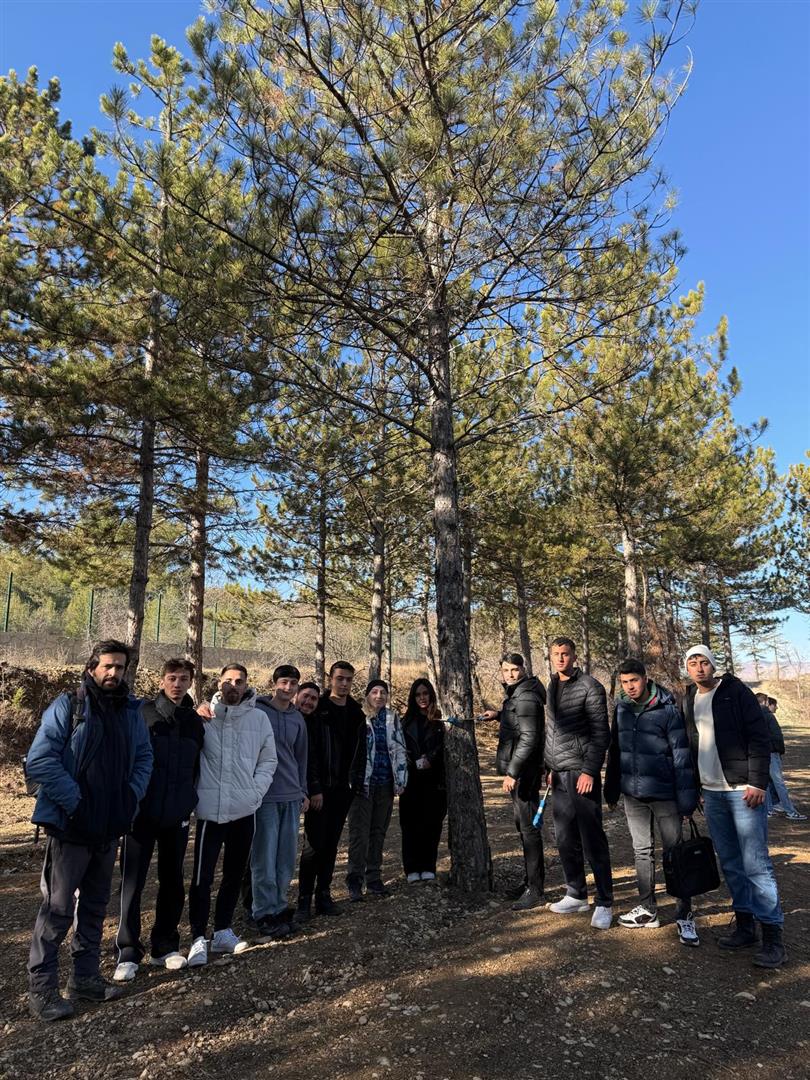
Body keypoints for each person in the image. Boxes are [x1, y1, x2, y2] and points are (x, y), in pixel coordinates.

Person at [25, 640, 153, 1021]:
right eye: (107, 666)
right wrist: (76, 803)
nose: (114, 673)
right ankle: (42, 989)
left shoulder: (130, 712)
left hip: (110, 827)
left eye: (120, 667)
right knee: (57, 909)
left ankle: (84, 978)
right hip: (72, 826)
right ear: (92, 667)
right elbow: (40, 760)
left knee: (96, 906)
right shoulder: (70, 706)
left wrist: (129, 798)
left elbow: (144, 758)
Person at [683, 645, 785, 968]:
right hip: (712, 793)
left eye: (704, 662)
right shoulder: (689, 697)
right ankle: (745, 925)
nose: (699, 668)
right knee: (730, 862)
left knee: (756, 863)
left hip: (743, 791)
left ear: (713, 665)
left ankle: (773, 936)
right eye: (692, 663)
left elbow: (759, 737)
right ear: (687, 668)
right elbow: (693, 743)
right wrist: (698, 786)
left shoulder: (735, 691)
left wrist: (758, 782)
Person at [114, 658, 205, 981]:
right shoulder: (142, 713)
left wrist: (188, 802)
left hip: (177, 815)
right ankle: (127, 951)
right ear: (162, 680)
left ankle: (165, 946)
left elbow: (197, 767)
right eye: (172, 678)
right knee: (132, 882)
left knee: (172, 880)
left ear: (191, 682)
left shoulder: (194, 721)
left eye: (183, 678)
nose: (177, 684)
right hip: (141, 815)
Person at [186, 664, 277, 966]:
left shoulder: (259, 719)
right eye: (228, 681)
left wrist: (254, 792)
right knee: (202, 877)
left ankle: (223, 930)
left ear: (247, 684)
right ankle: (198, 936)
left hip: (244, 810)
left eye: (239, 681)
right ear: (219, 683)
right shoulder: (204, 717)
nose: (233, 686)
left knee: (234, 874)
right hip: (210, 812)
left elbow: (268, 760)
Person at [604, 658, 699, 945]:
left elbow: (681, 756)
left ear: (646, 679)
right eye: (624, 682)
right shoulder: (621, 709)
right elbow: (615, 751)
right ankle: (647, 908)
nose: (629, 687)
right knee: (642, 851)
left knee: (674, 853)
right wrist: (611, 791)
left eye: (634, 680)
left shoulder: (667, 710)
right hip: (633, 795)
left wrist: (687, 801)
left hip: (665, 794)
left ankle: (685, 915)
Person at [544, 637, 614, 930]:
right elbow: (552, 730)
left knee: (591, 839)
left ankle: (605, 902)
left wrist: (589, 770)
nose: (561, 658)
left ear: (574, 656)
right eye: (556, 654)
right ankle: (576, 894)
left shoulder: (590, 687)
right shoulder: (551, 685)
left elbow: (601, 734)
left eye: (565, 654)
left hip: (582, 773)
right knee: (565, 837)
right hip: (559, 773)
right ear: (550, 657)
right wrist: (550, 767)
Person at [296, 663, 365, 918]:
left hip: (344, 790)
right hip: (321, 789)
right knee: (313, 845)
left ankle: (323, 895)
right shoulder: (319, 708)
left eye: (348, 679)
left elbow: (360, 751)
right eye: (339, 678)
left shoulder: (356, 712)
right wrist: (314, 787)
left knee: (332, 844)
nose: (344, 683)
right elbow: (310, 753)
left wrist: (356, 782)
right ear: (331, 679)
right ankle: (304, 899)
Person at [481, 653, 546, 910]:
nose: (510, 674)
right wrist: (499, 715)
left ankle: (535, 889)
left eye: (515, 669)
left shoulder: (526, 695)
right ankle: (529, 881)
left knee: (529, 829)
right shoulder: (518, 694)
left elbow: (529, 738)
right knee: (523, 826)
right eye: (506, 670)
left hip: (525, 774)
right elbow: (519, 722)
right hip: (522, 772)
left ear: (523, 670)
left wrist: (513, 772)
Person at [250, 665, 309, 941]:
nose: (288, 687)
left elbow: (301, 757)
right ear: (274, 683)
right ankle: (263, 912)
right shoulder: (258, 711)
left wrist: (303, 790)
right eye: (284, 682)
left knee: (285, 858)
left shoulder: (298, 718)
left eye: (293, 683)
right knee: (264, 857)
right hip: (265, 797)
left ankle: (279, 906)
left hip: (291, 796)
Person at [346, 679, 408, 901]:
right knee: (359, 834)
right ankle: (354, 880)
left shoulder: (392, 718)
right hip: (363, 784)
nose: (379, 696)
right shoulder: (359, 716)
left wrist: (401, 779)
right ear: (367, 695)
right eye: (374, 691)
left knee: (378, 832)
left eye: (383, 692)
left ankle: (373, 878)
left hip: (385, 783)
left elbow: (399, 748)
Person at [399, 678, 446, 884]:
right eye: (418, 695)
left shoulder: (440, 720)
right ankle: (411, 868)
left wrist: (431, 759)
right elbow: (399, 749)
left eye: (425, 693)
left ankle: (428, 866)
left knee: (432, 825)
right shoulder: (405, 722)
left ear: (431, 695)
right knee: (410, 825)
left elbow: (445, 747)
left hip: (434, 781)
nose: (422, 698)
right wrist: (412, 761)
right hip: (411, 781)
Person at [755, 693, 806, 821]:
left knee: (766, 783)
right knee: (779, 783)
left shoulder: (753, 715)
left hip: (760, 754)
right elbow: (777, 736)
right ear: (765, 702)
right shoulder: (768, 716)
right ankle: (790, 811)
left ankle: (768, 810)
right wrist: (779, 750)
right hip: (771, 753)